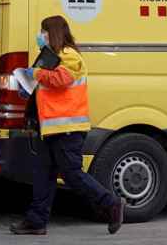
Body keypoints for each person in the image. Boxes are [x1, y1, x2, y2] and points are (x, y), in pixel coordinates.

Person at [10, 15, 125, 235]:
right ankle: (36, 221)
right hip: (51, 128)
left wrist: (35, 73)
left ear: (52, 33)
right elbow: (45, 89)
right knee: (43, 175)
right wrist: (26, 84)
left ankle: (111, 203)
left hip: (68, 129)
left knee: (72, 175)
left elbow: (61, 80)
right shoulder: (50, 57)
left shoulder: (69, 55)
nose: (40, 36)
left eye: (43, 32)